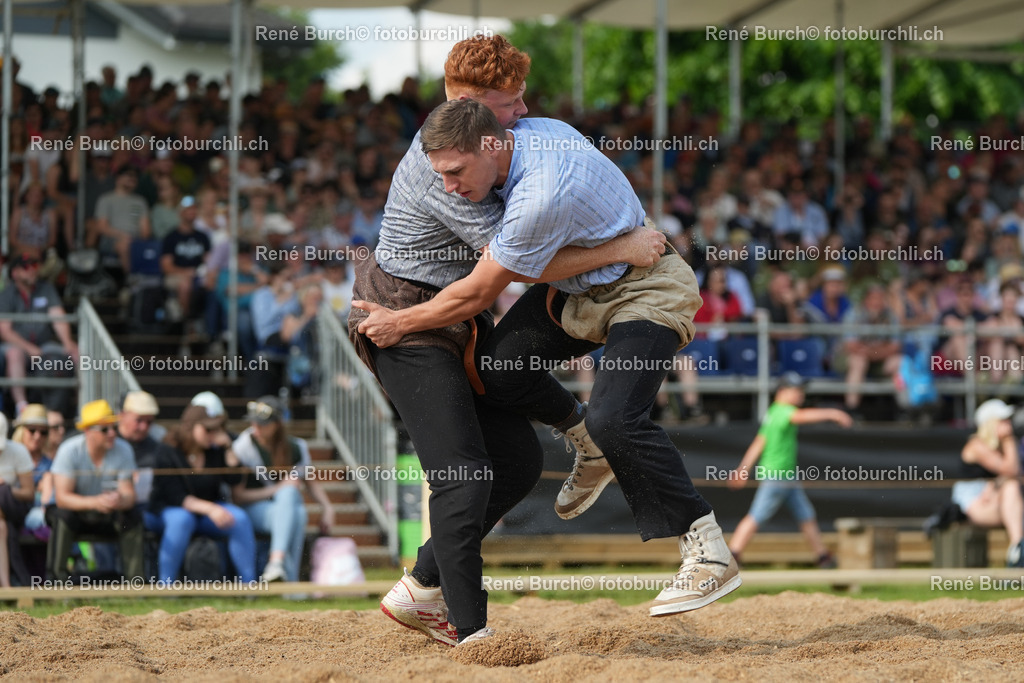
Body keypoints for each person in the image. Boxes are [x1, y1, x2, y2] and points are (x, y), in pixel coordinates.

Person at [353, 98, 737, 622]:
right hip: (577, 291)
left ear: (491, 141)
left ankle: (707, 546)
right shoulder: (526, 132)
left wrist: (399, 322)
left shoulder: (538, 194)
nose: (448, 187)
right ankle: (582, 444)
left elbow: (478, 293)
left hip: (646, 286)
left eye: (456, 172)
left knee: (615, 419)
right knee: (496, 370)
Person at [726, 373, 852, 568]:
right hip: (777, 474)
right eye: (797, 390)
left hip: (786, 475)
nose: (801, 394)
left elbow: (760, 442)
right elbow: (799, 417)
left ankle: (822, 556)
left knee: (805, 515)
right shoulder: (784, 411)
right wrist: (833, 413)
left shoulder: (773, 412)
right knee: (757, 515)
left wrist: (743, 469)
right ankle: (732, 555)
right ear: (783, 391)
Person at [231, 396, 333, 582]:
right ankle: (287, 579)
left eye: (262, 424)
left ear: (277, 424)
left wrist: (328, 508)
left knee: (297, 509)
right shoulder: (243, 446)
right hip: (251, 509)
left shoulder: (295, 447)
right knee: (292, 501)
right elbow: (237, 496)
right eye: (253, 422)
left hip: (281, 511)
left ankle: (277, 567)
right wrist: (278, 488)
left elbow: (310, 480)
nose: (256, 428)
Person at [152, 405, 255, 583]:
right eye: (208, 429)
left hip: (206, 512)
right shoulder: (167, 450)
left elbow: (234, 479)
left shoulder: (215, 450)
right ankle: (166, 586)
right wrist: (211, 509)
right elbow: (174, 496)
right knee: (181, 519)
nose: (213, 433)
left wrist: (229, 449)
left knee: (239, 519)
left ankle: (249, 585)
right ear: (190, 427)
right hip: (170, 510)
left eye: (217, 428)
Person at [46, 400, 144, 582]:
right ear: (88, 431)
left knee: (133, 515)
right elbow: (62, 498)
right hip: (75, 515)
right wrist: (96, 502)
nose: (112, 433)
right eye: (105, 429)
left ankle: (134, 582)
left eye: (113, 427)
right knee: (61, 515)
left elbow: (130, 495)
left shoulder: (124, 450)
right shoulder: (69, 450)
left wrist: (119, 500)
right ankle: (55, 581)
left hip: (107, 514)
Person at [0, 248, 80, 416]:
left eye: (35, 265)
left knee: (76, 352)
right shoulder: (6, 294)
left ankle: (82, 404)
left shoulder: (46, 288)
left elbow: (58, 317)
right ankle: (21, 407)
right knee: (14, 354)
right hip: (18, 346)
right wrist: (29, 349)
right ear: (15, 273)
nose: (33, 269)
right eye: (27, 266)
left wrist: (67, 342)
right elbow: (5, 331)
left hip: (44, 345)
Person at [954, 399, 1024, 567]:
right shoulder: (976, 444)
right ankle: (1018, 549)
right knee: (1012, 486)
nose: (1008, 424)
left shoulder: (1001, 447)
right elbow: (1011, 470)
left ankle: (1018, 552)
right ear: (990, 423)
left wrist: (994, 487)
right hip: (975, 504)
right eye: (1003, 420)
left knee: (1012, 489)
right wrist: (1008, 440)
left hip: (996, 501)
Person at [0, 413, 35, 586]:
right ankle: (7, 585)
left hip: (13, 510)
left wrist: (7, 488)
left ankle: (7, 585)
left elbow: (29, 493)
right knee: (2, 527)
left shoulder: (18, 451)